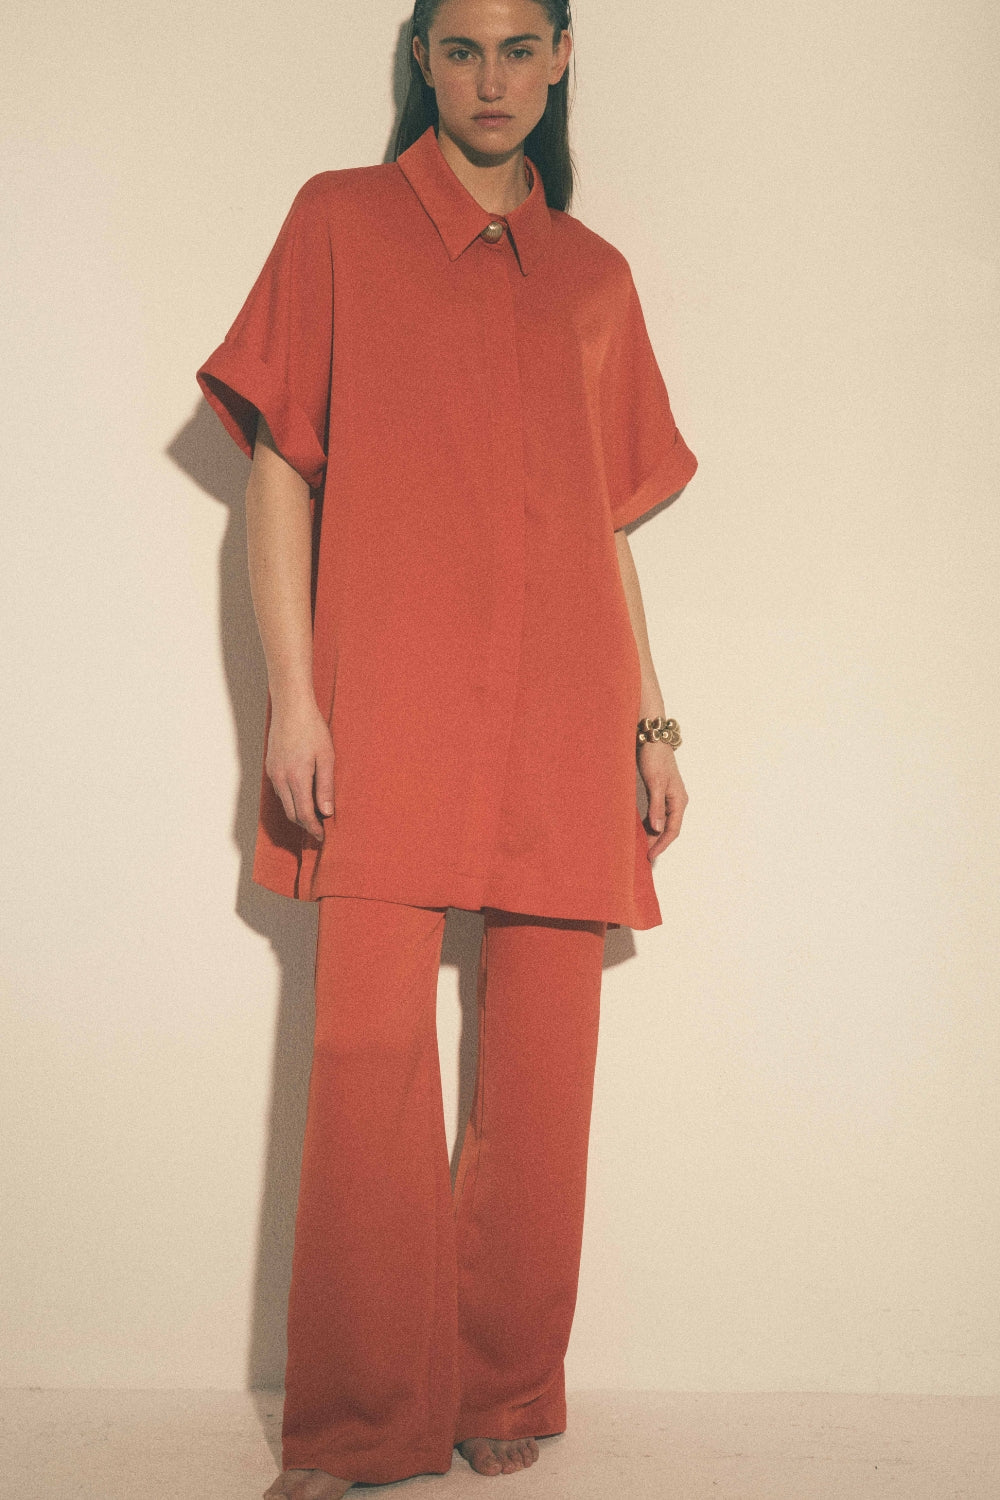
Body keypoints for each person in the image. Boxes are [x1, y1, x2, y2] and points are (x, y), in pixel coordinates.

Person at [196, 0, 697, 1494]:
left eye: (519, 49)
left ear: (560, 60)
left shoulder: (594, 277)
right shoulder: (339, 221)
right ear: (423, 58)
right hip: (389, 700)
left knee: (545, 1063)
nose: (492, 78)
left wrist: (653, 721)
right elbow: (280, 469)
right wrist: (295, 700)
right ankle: (359, 1419)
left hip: (563, 708)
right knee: (365, 1054)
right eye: (462, 48)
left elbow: (606, 528)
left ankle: (501, 1381)